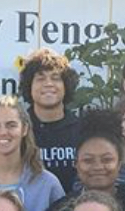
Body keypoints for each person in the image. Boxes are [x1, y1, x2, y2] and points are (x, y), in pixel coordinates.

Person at [19, 49, 81, 193]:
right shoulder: (19, 129)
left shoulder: (81, 129)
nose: (48, 84)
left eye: (55, 78)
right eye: (40, 78)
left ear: (66, 86)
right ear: (30, 86)